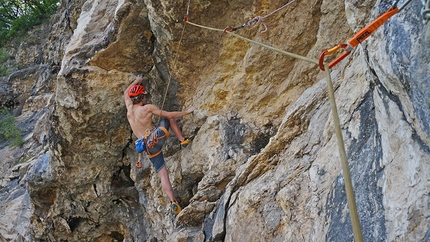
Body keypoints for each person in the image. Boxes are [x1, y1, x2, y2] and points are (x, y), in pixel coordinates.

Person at [123, 75, 195, 215]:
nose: (146, 98)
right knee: (166, 118)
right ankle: (182, 140)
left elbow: (126, 93)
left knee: (163, 174)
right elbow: (169, 114)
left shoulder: (129, 110)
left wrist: (137, 81)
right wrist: (187, 111)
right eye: (144, 95)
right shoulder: (147, 108)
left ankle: (174, 201)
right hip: (156, 136)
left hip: (148, 148)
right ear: (142, 97)